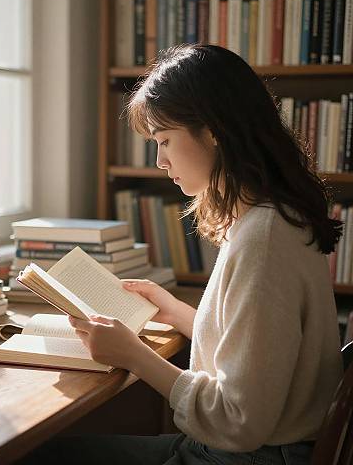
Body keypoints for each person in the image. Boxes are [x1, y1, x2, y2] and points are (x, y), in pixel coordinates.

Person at [19, 44, 344, 465]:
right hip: (263, 450)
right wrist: (177, 313)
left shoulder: (263, 238)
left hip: (249, 456)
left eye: (165, 140)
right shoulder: (272, 217)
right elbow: (263, 353)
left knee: (39, 455)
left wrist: (132, 355)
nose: (160, 160)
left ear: (213, 132)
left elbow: (238, 419)